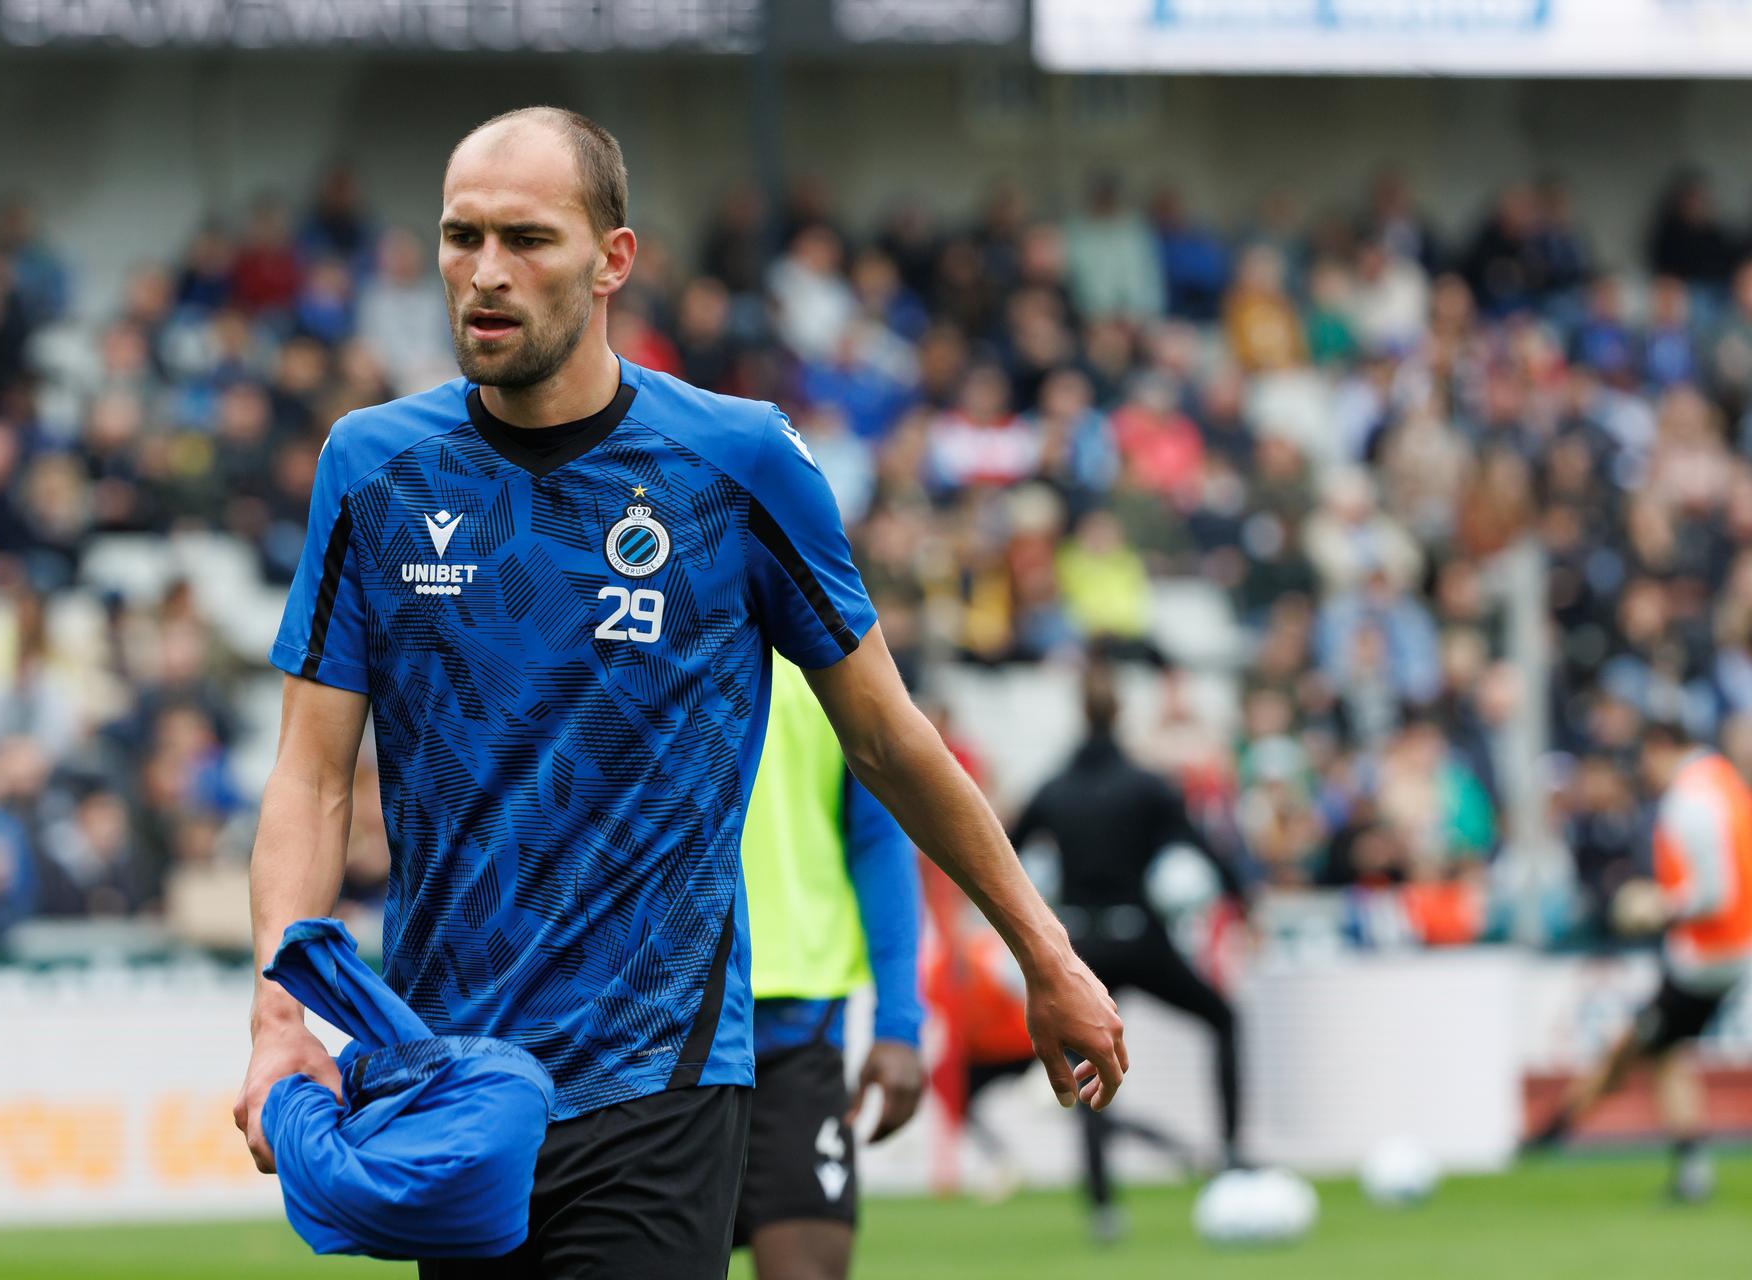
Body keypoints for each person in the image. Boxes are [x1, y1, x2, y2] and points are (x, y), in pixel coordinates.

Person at [231, 106, 1128, 1280]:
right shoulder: (373, 470)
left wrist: (1043, 952)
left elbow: (890, 740)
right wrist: (277, 1019)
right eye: (461, 238)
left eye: (527, 239)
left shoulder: (736, 460)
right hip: (446, 1077)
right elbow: (307, 778)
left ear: (614, 260)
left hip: (661, 1065)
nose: (485, 274)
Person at [1011, 655, 1244, 1242]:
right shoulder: (1147, 786)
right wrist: (1246, 898)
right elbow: (1201, 848)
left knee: (1086, 1060)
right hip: (1142, 938)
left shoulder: (1054, 788)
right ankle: (1233, 1155)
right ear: (1120, 714)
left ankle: (1100, 1203)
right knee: (1223, 1019)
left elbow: (1005, 852)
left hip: (1083, 946)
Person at [733, 652, 924, 1280]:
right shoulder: (640, 616)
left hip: (796, 1026)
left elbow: (879, 835)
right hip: (650, 1031)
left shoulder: (826, 650)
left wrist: (900, 1024)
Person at [1522, 720, 1752, 1202]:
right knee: (1659, 1049)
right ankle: (1566, 1127)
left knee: (1643, 1049)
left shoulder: (1690, 800)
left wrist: (1658, 905)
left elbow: (1716, 893)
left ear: (1660, 747)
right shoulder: (1725, 782)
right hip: (1724, 951)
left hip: (1709, 957)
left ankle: (1558, 1127)